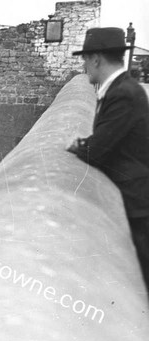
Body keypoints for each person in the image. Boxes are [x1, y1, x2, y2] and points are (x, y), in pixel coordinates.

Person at [67, 27, 149, 288]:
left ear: (97, 59)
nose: (84, 65)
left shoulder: (123, 93)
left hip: (137, 203)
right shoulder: (123, 88)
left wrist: (79, 145)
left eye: (85, 59)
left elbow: (97, 150)